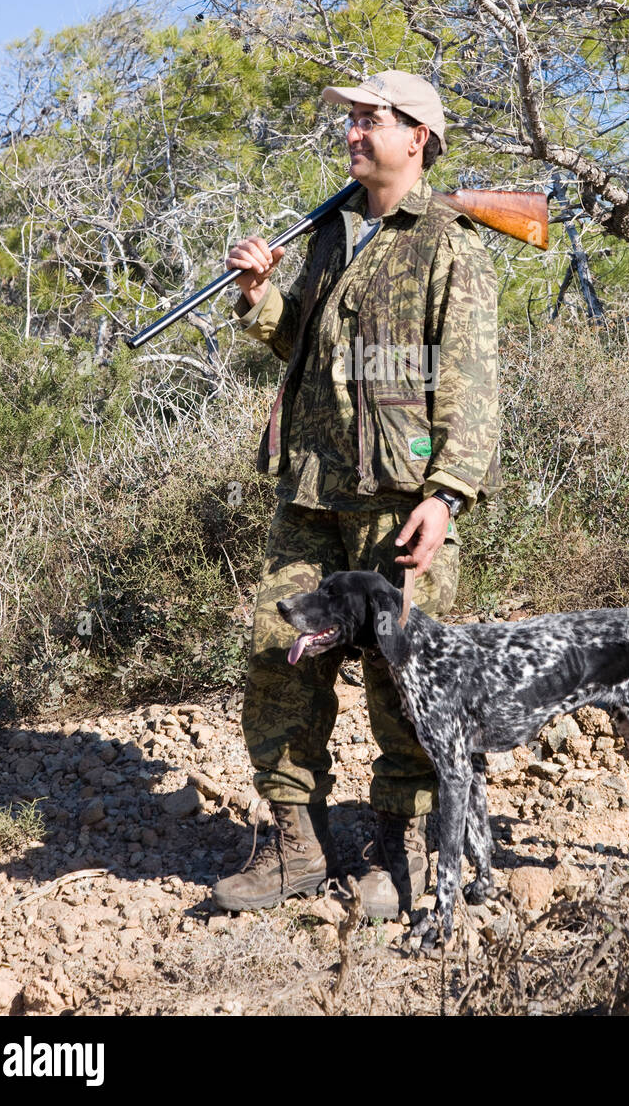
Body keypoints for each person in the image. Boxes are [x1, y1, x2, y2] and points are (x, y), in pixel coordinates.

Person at [213, 69, 500, 919]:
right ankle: (296, 845)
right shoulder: (333, 234)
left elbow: (474, 386)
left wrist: (445, 494)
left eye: (372, 119)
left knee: (400, 677)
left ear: (417, 137)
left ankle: (397, 845)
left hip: (398, 495)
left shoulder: (451, 243)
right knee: (279, 658)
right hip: (310, 492)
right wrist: (260, 295)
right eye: (351, 120)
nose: (353, 132)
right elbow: (300, 342)